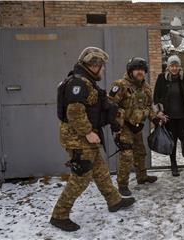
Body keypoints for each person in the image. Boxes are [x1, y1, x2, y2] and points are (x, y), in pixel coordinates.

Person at [50, 47, 135, 232]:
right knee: (81, 177)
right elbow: (74, 111)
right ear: (93, 65)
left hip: (86, 137)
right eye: (101, 65)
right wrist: (88, 132)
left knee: (101, 171)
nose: (103, 69)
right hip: (78, 138)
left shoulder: (87, 81)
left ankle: (114, 201)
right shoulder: (79, 83)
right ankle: (59, 215)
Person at [108, 57, 167, 196]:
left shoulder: (146, 87)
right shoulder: (120, 85)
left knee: (141, 153)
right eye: (136, 69)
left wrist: (155, 117)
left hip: (138, 126)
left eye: (142, 69)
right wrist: (117, 123)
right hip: (125, 127)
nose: (140, 72)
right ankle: (122, 184)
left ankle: (142, 177)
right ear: (130, 71)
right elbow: (110, 105)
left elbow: (149, 106)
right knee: (127, 155)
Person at [153, 55, 184, 176]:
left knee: (183, 135)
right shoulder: (161, 78)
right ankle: (173, 165)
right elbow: (156, 96)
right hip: (169, 116)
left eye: (176, 66)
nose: (174, 68)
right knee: (172, 141)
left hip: (183, 114)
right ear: (168, 67)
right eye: (172, 66)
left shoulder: (183, 77)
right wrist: (158, 111)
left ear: (179, 67)